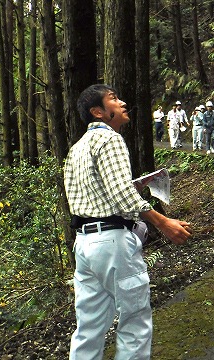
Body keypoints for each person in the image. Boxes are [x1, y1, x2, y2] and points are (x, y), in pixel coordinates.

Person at [64, 84, 191, 359]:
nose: (122, 103)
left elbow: (90, 195)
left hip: (85, 245)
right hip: (113, 243)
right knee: (134, 322)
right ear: (98, 112)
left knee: (88, 328)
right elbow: (121, 196)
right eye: (113, 99)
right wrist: (163, 222)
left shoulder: (76, 149)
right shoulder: (111, 140)